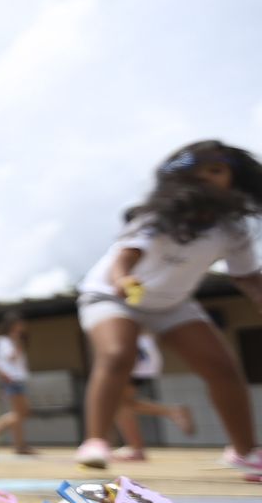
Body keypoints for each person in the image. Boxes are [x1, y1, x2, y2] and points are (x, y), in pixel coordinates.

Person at [73, 141, 262, 472]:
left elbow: (246, 276)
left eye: (216, 171)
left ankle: (244, 451)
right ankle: (96, 441)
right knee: (118, 354)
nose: (207, 178)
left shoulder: (232, 231)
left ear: (236, 180)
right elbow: (125, 257)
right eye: (198, 172)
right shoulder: (157, 217)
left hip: (171, 303)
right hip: (112, 295)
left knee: (222, 367)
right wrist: (122, 280)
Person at [109, 334, 197, 462]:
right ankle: (136, 448)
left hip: (135, 351)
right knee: (120, 402)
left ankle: (137, 448)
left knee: (118, 401)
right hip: (141, 351)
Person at [0, 311, 38, 455]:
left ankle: (19, 445)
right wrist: (17, 341)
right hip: (11, 379)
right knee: (21, 412)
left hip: (17, 379)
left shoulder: (7, 340)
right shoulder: (4, 341)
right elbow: (11, 357)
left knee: (20, 413)